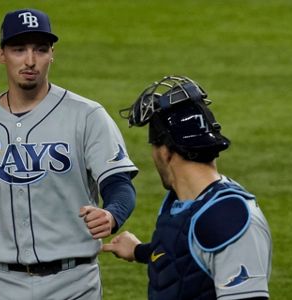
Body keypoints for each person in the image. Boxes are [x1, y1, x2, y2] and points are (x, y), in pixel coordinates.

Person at [0, 8, 138, 300]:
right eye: (19, 49)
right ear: (1, 54)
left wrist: (112, 214)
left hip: (74, 283)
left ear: (52, 54)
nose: (30, 61)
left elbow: (119, 184)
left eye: (40, 50)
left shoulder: (87, 116)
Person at [103, 75, 272, 300]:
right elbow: (186, 249)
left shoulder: (228, 217)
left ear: (165, 152)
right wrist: (138, 251)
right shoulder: (186, 202)